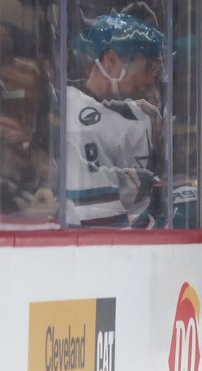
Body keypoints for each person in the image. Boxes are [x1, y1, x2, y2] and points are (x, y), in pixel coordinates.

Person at [67, 13, 164, 228]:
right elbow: (98, 220)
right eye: (146, 68)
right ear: (111, 60)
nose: (150, 80)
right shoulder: (69, 110)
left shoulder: (142, 115)